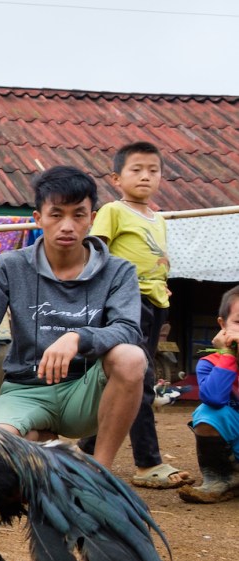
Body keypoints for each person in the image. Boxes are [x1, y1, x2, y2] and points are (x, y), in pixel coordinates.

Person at [0, 165, 146, 469]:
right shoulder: (9, 265)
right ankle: (41, 439)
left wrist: (77, 337)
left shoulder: (119, 271)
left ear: (92, 220)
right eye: (56, 214)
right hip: (24, 392)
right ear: (38, 218)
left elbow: (127, 329)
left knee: (131, 357)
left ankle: (100, 471)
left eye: (78, 215)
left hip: (85, 394)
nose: (67, 225)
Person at [77, 142, 191, 489]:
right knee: (140, 379)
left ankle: (86, 451)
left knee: (130, 378)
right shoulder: (114, 210)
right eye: (136, 169)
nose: (145, 176)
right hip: (128, 303)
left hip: (155, 301)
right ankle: (147, 462)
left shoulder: (158, 218)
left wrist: (163, 286)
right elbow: (96, 252)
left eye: (153, 170)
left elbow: (155, 260)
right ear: (116, 177)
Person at [178, 285, 239, 503]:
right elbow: (213, 398)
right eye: (238, 322)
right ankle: (221, 477)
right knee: (207, 413)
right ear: (222, 326)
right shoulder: (210, 363)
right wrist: (227, 356)